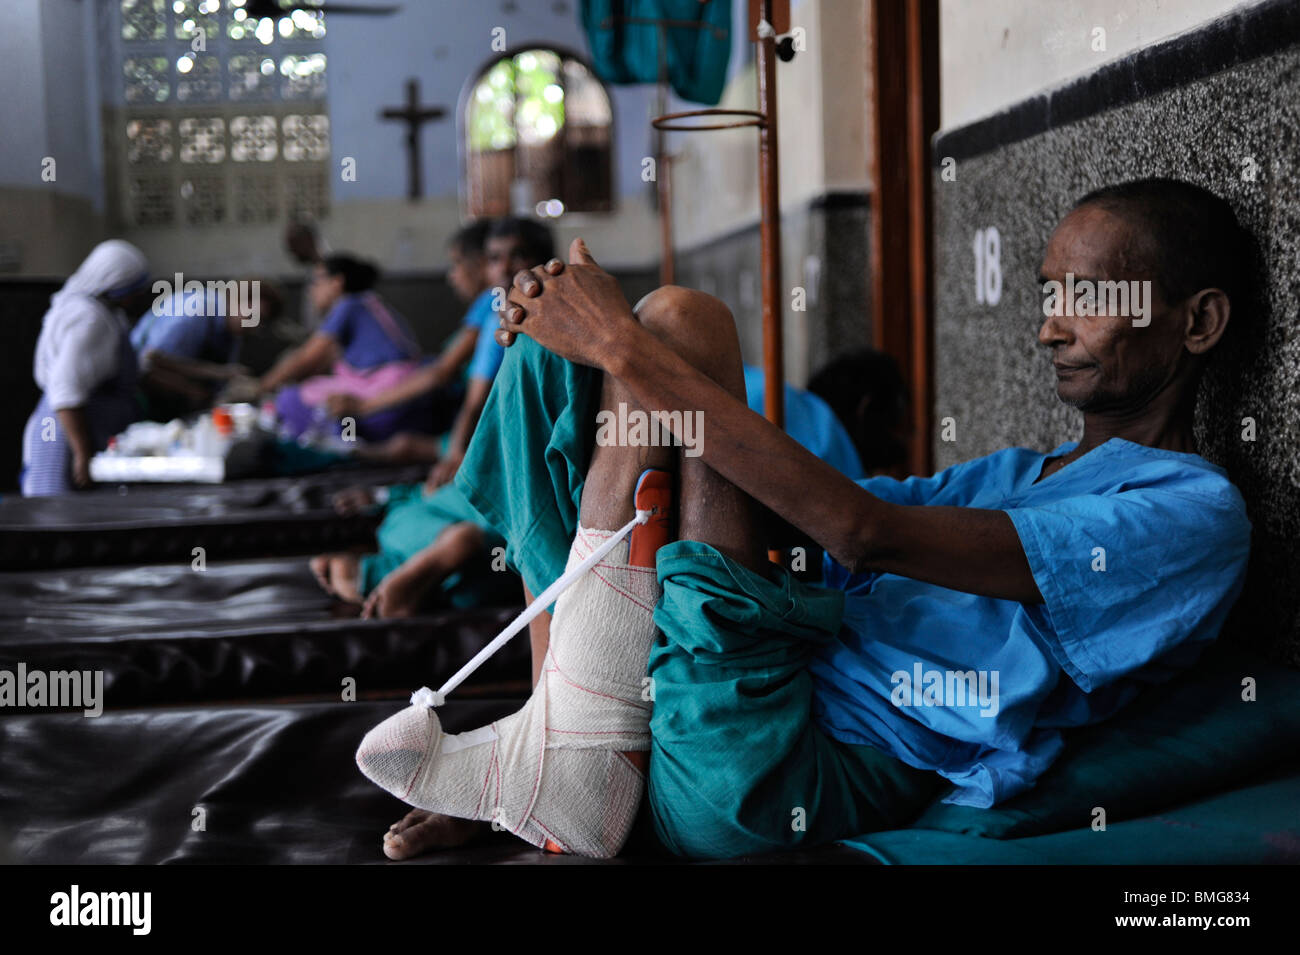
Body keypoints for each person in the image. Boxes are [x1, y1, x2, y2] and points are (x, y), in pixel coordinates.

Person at [357, 178, 1253, 862]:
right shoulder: (1019, 473)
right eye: (1049, 294)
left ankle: (570, 752)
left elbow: (863, 531)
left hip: (770, 763)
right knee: (561, 369)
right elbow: (814, 531)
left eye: (1089, 299)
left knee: (678, 323)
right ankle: (559, 738)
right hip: (718, 689)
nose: (1053, 328)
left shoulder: (1191, 513)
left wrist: (622, 346)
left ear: (1199, 323)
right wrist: (598, 362)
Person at [325, 220, 496, 465]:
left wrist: (364, 406)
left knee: (358, 428)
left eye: (456, 264)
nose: (452, 276)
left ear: (481, 264)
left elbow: (441, 374)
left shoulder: (492, 302)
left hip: (440, 409)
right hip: (434, 403)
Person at [21, 240, 153, 496]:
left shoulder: (104, 312)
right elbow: (65, 390)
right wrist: (82, 453)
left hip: (73, 423)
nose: (137, 295)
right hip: (61, 431)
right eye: (133, 289)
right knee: (56, 507)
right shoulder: (88, 319)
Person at [259, 254, 437, 443]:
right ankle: (345, 436)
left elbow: (306, 358)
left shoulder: (348, 304)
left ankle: (341, 441)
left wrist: (260, 387)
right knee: (322, 392)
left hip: (387, 396)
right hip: (409, 396)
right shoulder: (371, 302)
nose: (312, 290)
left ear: (337, 282)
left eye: (316, 281)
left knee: (289, 400)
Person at [132, 278, 283, 420]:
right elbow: (151, 363)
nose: (255, 327)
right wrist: (208, 383)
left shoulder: (232, 329)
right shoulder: (196, 311)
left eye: (261, 322)